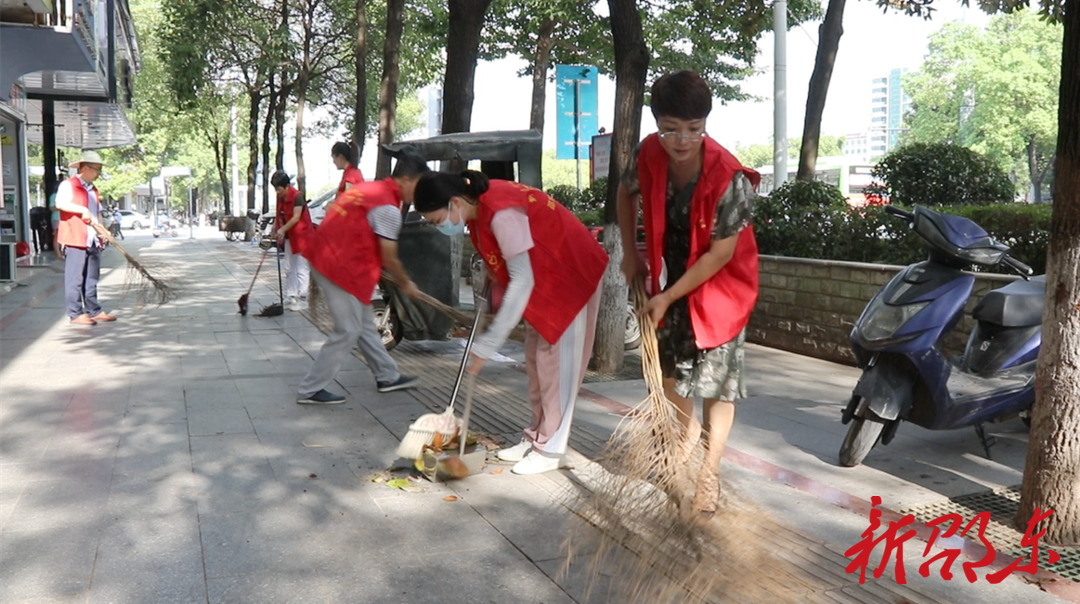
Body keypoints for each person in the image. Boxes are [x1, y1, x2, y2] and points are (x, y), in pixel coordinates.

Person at [617, 70, 760, 515]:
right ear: (658, 123)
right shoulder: (648, 153)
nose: (682, 141)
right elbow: (626, 194)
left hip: (722, 290)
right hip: (672, 280)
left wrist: (666, 296)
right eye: (670, 130)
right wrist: (630, 253)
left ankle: (709, 472)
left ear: (705, 124)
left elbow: (719, 256)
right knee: (670, 375)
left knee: (717, 385)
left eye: (693, 130)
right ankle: (680, 447)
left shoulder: (729, 177)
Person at [413, 171, 608, 476]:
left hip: (571, 279)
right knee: (536, 361)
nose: (441, 227)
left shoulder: (501, 213)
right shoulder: (476, 213)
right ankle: (537, 437)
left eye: (438, 220)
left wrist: (487, 345)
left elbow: (522, 280)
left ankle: (553, 448)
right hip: (548, 283)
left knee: (558, 367)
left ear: (454, 203)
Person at [295, 152, 429, 404]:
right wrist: (406, 283)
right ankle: (310, 389)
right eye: (420, 184)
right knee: (348, 329)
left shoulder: (370, 189)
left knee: (365, 325)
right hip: (337, 265)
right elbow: (390, 256)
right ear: (408, 180)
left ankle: (387, 376)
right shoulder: (388, 207)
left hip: (330, 257)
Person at [54, 150, 117, 326]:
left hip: (92, 238)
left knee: (91, 277)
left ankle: (93, 310)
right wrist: (82, 210)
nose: (98, 173)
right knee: (75, 278)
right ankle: (75, 313)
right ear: (84, 168)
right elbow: (60, 203)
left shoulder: (93, 189)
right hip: (75, 237)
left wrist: (103, 230)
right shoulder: (68, 185)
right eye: (96, 169)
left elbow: (96, 212)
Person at [270, 171, 313, 311]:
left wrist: (281, 230)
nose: (277, 192)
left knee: (301, 268)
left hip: (302, 237)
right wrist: (275, 228)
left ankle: (303, 298)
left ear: (287, 186)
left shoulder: (297, 197)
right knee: (289, 267)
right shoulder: (280, 198)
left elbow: (295, 218)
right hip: (289, 237)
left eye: (279, 188)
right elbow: (279, 214)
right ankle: (291, 295)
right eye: (275, 189)